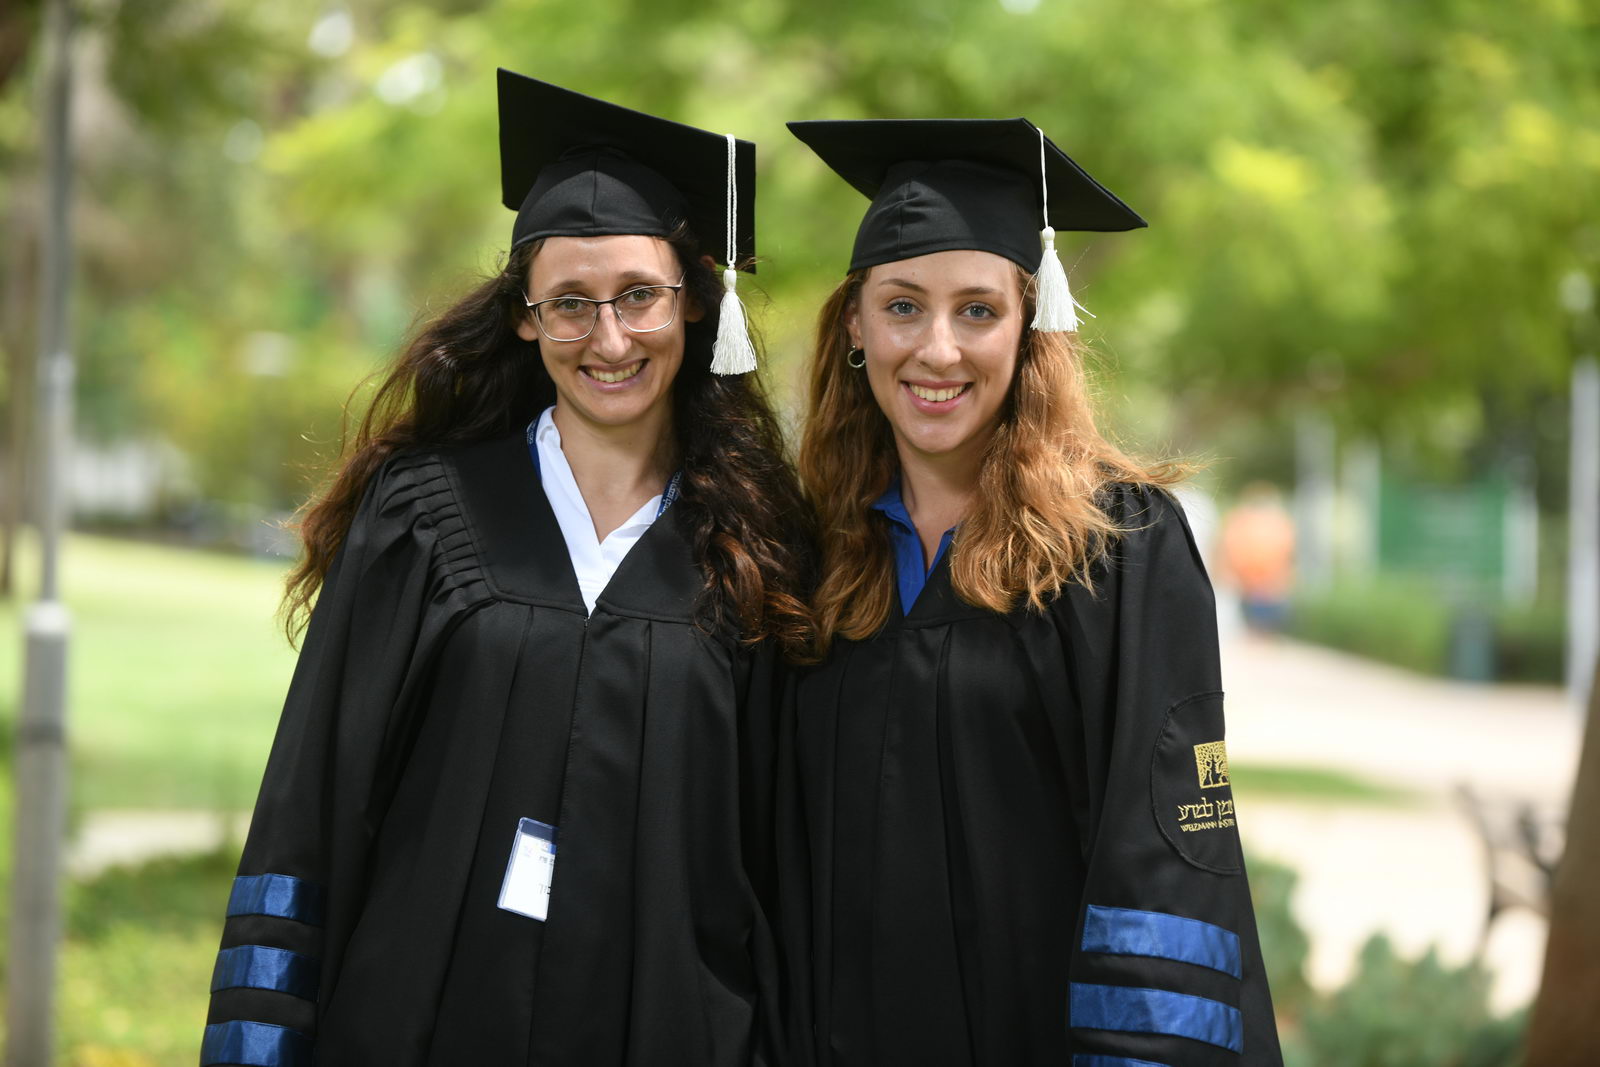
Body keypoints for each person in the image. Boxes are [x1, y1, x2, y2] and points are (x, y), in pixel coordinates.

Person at [200, 70, 810, 1066]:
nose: (608, 337)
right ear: (525, 317)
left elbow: (783, 862)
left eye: (639, 296)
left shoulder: (756, 550)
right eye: (569, 303)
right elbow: (314, 798)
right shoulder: (423, 515)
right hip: (422, 1024)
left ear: (697, 303)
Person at [782, 118, 1283, 1066]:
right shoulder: (816, 557)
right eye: (902, 306)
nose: (937, 349)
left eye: (978, 310)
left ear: (1030, 324)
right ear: (854, 324)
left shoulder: (1116, 550)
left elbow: (1163, 860)